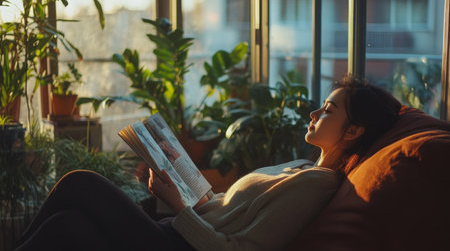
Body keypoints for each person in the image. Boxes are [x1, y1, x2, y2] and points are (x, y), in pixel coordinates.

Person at [15, 75, 402, 251]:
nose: (316, 111)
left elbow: (239, 247)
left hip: (182, 244)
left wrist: (181, 206)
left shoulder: (318, 184)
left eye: (329, 110)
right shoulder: (301, 165)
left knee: (81, 183)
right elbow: (227, 211)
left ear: (353, 132)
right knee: (71, 227)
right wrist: (186, 189)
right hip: (179, 228)